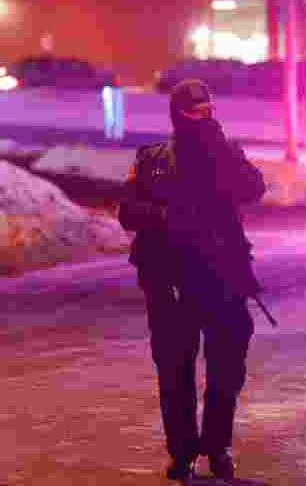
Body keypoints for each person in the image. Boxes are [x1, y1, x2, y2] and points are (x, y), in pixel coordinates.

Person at [117, 79, 266, 481]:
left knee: (226, 371)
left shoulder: (227, 152)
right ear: (177, 114)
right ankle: (181, 452)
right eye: (194, 112)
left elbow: (255, 188)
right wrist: (166, 217)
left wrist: (221, 151)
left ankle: (217, 447)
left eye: (208, 110)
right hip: (171, 281)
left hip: (222, 279)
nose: (203, 117)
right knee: (175, 371)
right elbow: (127, 211)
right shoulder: (152, 159)